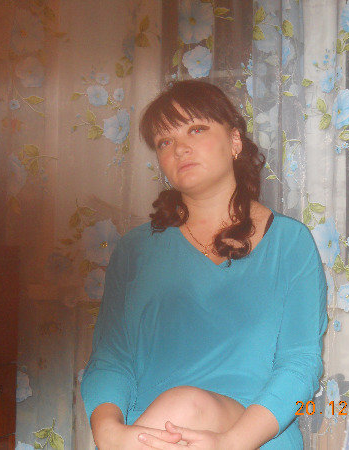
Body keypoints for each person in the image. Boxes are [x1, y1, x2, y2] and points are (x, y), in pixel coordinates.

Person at [81, 80, 327, 449]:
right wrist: (109, 433)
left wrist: (230, 443)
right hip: (147, 435)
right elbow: (110, 360)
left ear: (235, 141)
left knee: (186, 404)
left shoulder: (290, 243)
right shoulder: (134, 249)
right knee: (177, 409)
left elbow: (299, 365)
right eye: (164, 142)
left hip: (251, 437)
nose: (179, 147)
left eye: (196, 129)